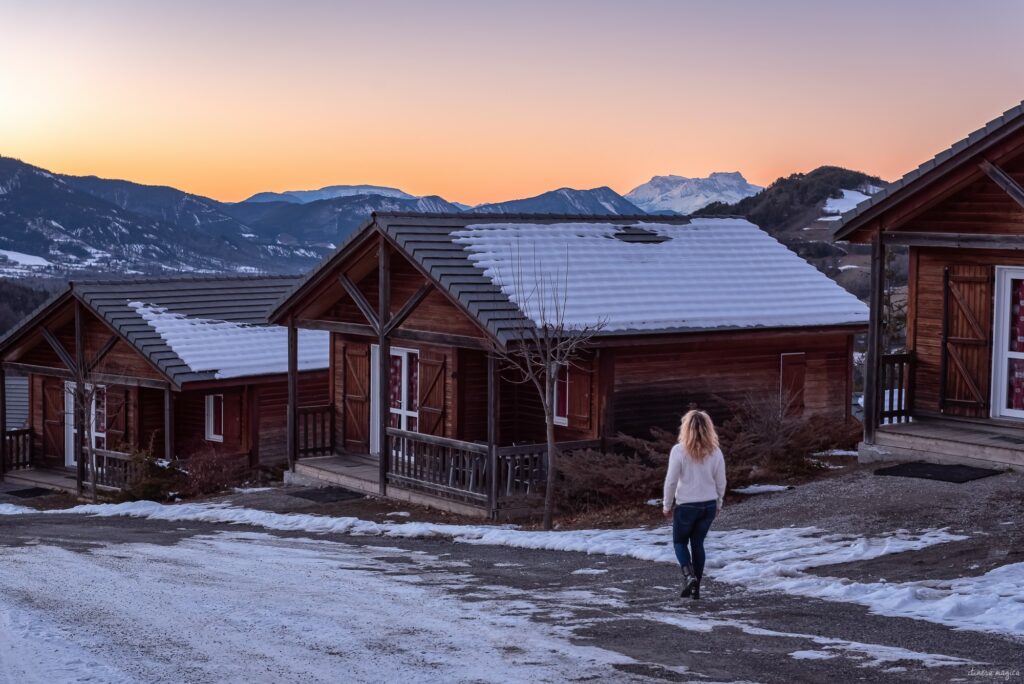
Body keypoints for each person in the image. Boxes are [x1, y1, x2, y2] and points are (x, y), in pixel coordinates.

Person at [662, 409, 726, 599]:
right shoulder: (715, 452)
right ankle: (696, 589)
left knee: (679, 542)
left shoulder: (679, 450)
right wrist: (719, 502)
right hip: (708, 505)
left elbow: (671, 481)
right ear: (709, 428)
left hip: (686, 506)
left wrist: (667, 505)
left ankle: (688, 576)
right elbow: (721, 481)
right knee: (698, 544)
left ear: (686, 428)